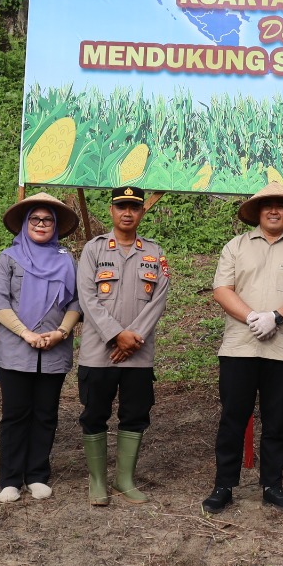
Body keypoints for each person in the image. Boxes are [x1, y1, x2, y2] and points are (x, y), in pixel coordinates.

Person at [204, 184, 283, 513]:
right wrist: (251, 316)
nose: (273, 211)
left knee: (277, 421)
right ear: (258, 212)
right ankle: (223, 485)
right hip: (239, 348)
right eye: (267, 206)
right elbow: (221, 289)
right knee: (232, 419)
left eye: (280, 206)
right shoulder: (236, 246)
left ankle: (272, 484)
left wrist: (276, 316)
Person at [76, 186, 169, 506]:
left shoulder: (154, 252)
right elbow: (87, 298)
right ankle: (98, 480)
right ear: (111, 211)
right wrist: (117, 335)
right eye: (121, 207)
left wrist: (133, 339)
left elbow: (158, 300)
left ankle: (124, 479)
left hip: (139, 355)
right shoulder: (94, 249)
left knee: (135, 414)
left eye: (133, 207)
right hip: (97, 352)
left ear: (142, 212)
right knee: (94, 414)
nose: (127, 212)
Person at [0, 193, 81, 502]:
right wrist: (26, 333)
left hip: (54, 349)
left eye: (48, 220)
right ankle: (11, 479)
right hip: (16, 350)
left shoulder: (67, 260)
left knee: (45, 414)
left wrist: (62, 332)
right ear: (25, 224)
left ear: (55, 226)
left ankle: (38, 474)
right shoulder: (8, 258)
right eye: (36, 219)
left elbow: (76, 302)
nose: (42, 224)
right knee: (15, 415)